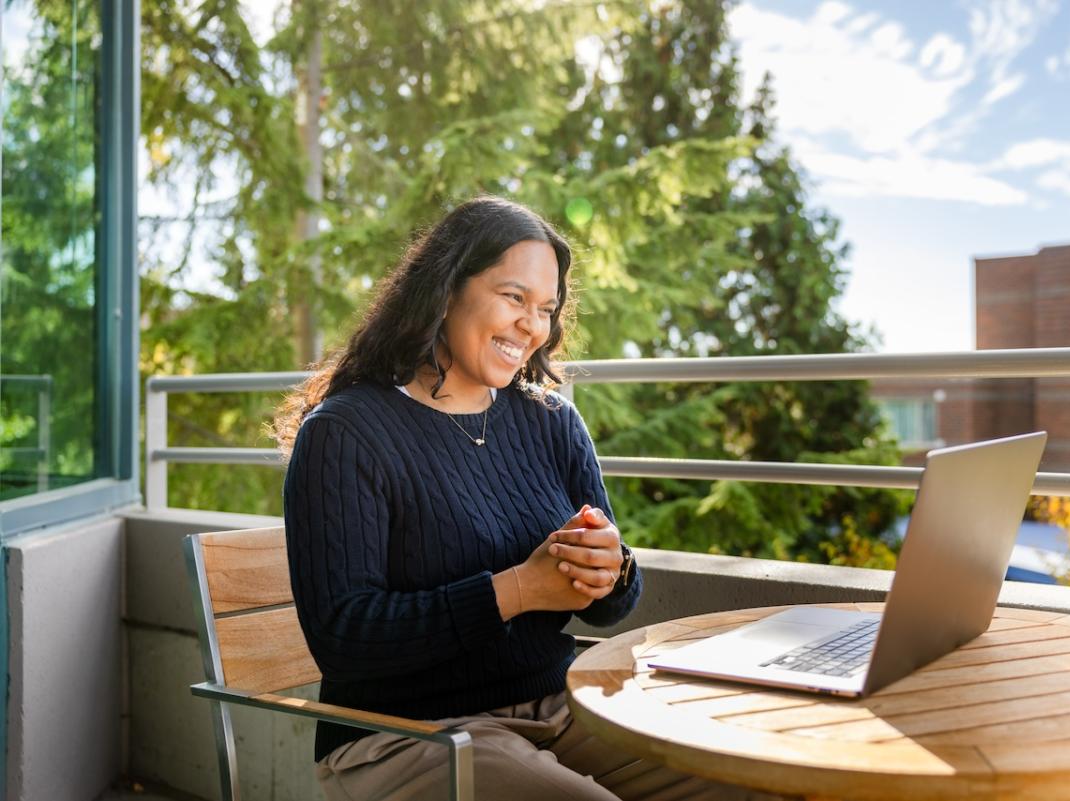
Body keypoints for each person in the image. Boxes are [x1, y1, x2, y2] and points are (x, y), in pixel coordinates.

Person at [274, 196, 770, 801]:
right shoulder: (346, 432)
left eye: (545, 309)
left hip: (561, 707)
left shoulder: (551, 422)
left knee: (747, 775)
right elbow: (343, 638)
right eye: (514, 298)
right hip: (406, 732)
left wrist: (610, 568)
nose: (531, 326)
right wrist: (516, 591)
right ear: (446, 289)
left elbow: (613, 605)